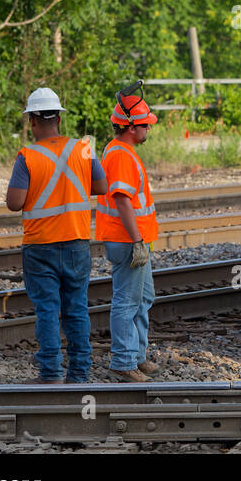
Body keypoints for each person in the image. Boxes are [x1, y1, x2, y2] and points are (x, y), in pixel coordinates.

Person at [4, 88, 108, 384]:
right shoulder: (83, 149)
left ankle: (50, 373)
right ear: (59, 119)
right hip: (76, 244)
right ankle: (79, 374)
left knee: (48, 311)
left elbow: (14, 203)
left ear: (32, 121)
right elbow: (101, 187)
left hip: (40, 247)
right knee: (76, 309)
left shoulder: (28, 156)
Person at [96, 87, 160, 382]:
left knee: (143, 297)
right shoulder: (121, 155)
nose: (149, 128)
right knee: (127, 301)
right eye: (146, 123)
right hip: (127, 240)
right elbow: (122, 200)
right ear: (131, 126)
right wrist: (137, 241)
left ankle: (136, 355)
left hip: (135, 239)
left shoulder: (121, 150)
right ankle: (123, 362)